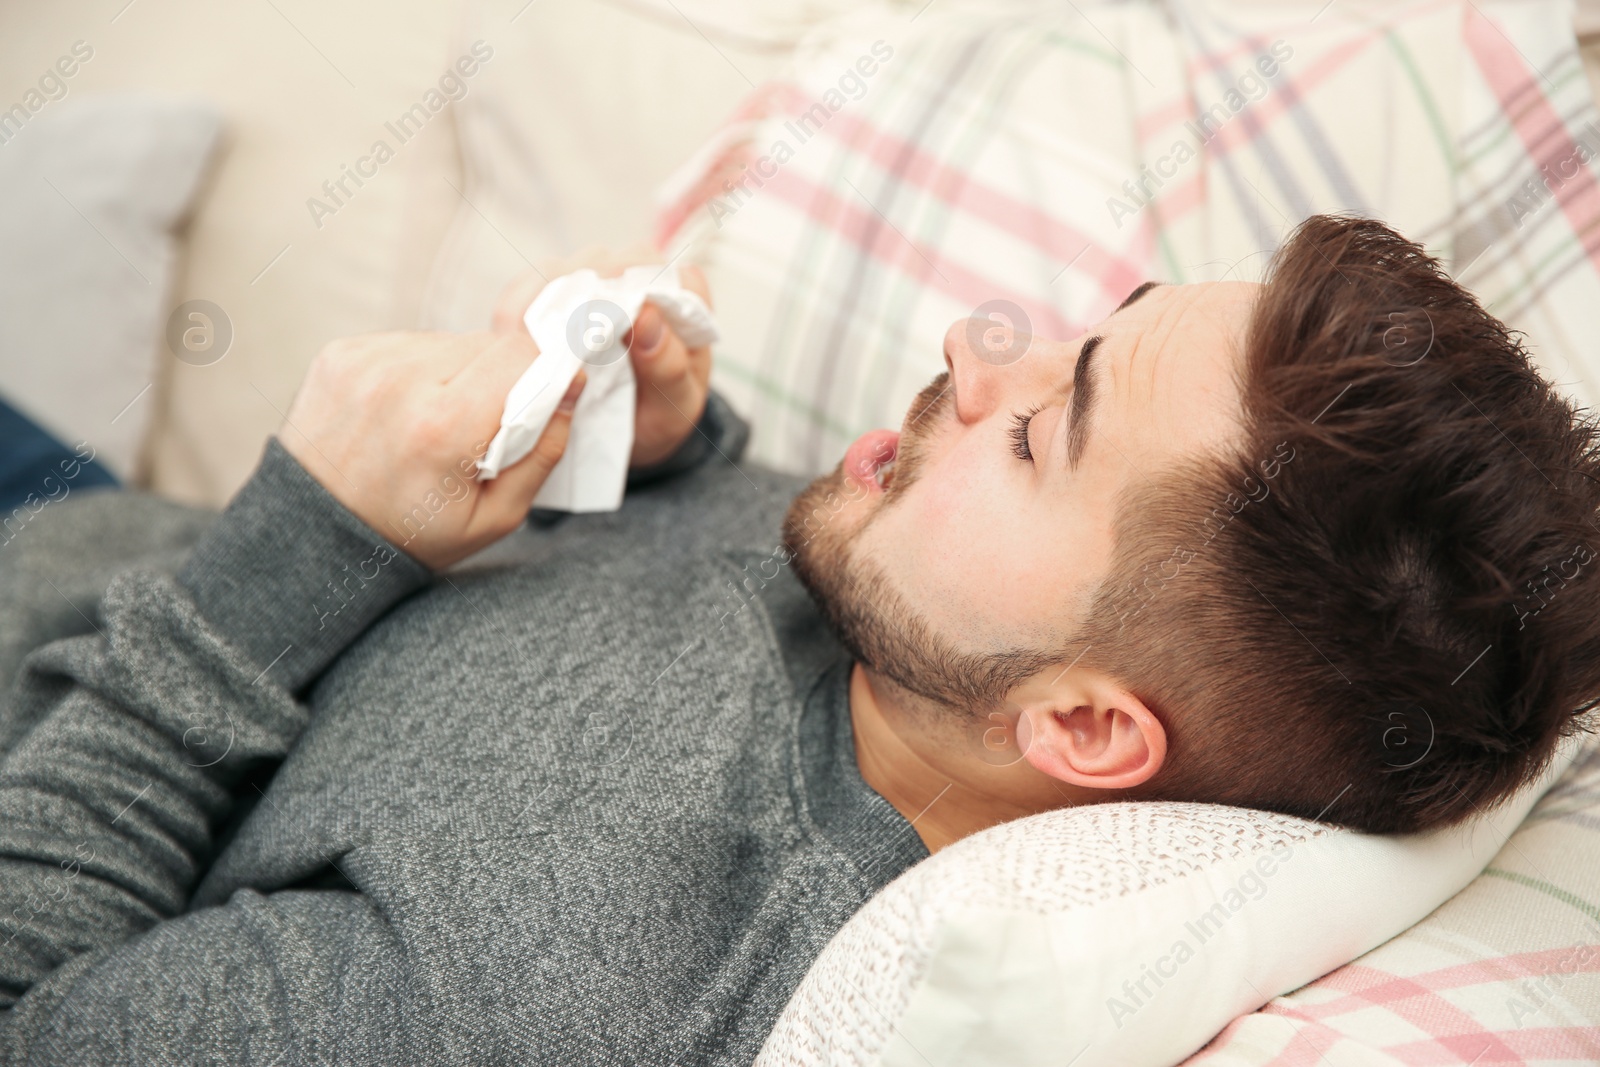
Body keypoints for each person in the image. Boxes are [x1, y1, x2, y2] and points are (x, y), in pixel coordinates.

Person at [0, 215, 1593, 1063]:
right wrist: (664, 445)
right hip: (88, 522)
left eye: (1044, 432)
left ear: (1091, 732)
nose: (984, 355)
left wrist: (299, 545)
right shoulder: (924, 626)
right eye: (1080, 330)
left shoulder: (562, 990)